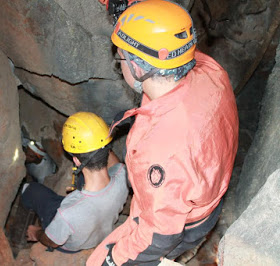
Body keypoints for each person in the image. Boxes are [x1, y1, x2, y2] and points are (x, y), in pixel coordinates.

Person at [87, 0, 239, 265]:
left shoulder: (160, 150)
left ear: (138, 68)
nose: (118, 63)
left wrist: (114, 258)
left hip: (180, 224)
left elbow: (160, 235)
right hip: (206, 201)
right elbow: (170, 44)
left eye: (120, 56)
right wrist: (131, 12)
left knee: (97, 261)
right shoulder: (212, 72)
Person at [21, 112, 129, 253]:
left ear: (76, 160)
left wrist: (36, 233)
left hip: (73, 244)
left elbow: (51, 241)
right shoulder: (122, 174)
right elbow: (110, 159)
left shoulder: (67, 213)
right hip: (102, 227)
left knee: (31, 190)